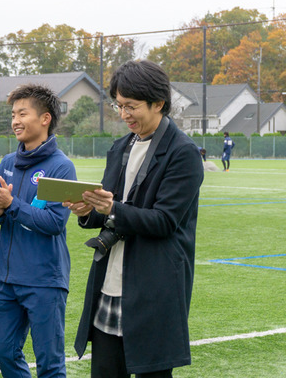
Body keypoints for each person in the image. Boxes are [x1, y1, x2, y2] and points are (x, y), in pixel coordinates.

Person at [65, 60, 204, 378]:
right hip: (109, 282)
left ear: (159, 103)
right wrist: (87, 211)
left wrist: (111, 208)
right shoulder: (120, 147)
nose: (124, 114)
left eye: (131, 106)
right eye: (119, 105)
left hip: (154, 285)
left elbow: (164, 221)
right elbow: (109, 209)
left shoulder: (183, 152)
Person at [0, 84, 77, 378]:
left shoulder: (61, 168)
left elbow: (54, 223)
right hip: (5, 280)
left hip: (45, 281)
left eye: (23, 114)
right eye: (13, 115)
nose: (15, 121)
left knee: (50, 364)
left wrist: (11, 204)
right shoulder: (7, 163)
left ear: (45, 119)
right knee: (4, 353)